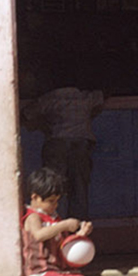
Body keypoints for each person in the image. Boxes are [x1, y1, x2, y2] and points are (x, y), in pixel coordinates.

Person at [21, 166, 129, 276]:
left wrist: (80, 235)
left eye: (57, 201)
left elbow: (62, 244)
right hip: (40, 274)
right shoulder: (33, 218)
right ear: (34, 197)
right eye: (50, 201)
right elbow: (39, 235)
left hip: (58, 270)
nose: (54, 205)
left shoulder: (53, 218)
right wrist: (64, 225)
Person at [35, 85, 105, 220]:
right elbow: (103, 96)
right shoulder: (86, 97)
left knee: (54, 185)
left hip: (56, 143)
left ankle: (54, 222)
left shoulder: (49, 98)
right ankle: (78, 225)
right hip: (81, 144)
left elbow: (27, 114)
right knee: (79, 188)